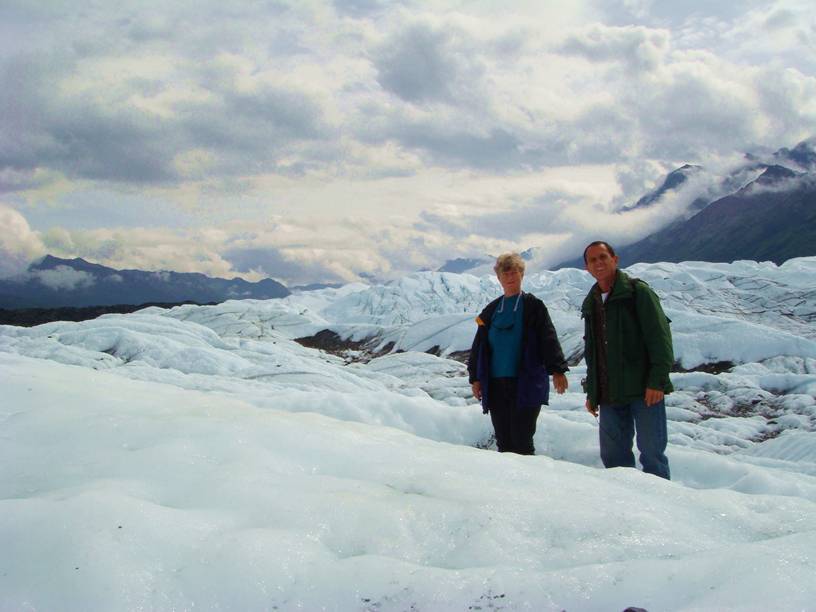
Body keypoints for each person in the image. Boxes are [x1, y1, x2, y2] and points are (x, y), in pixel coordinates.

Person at [581, 241, 674, 479]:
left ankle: (664, 509)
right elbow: (593, 352)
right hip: (610, 394)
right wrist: (593, 392)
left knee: (652, 454)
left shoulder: (637, 293)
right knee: (613, 458)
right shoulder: (591, 302)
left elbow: (660, 339)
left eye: (603, 257)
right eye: (593, 260)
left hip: (644, 390)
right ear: (587, 267)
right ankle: (625, 510)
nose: (598, 263)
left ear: (615, 259)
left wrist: (657, 382)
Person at [467, 253, 569, 455]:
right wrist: (475, 378)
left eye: (514, 271)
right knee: (504, 441)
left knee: (522, 439)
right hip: (496, 385)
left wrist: (557, 370)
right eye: (505, 272)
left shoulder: (533, 307)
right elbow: (479, 345)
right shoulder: (491, 310)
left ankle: (527, 484)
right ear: (498, 278)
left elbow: (547, 338)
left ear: (522, 274)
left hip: (526, 382)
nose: (510, 276)